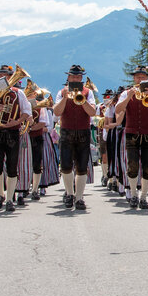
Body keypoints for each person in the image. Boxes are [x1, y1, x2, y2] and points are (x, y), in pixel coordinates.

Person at [0, 64, 32, 212]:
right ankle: (0, 194)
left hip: (12, 133)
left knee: (12, 167)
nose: (3, 78)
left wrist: (16, 121)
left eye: (7, 76)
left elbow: (27, 112)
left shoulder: (18, 93)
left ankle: (9, 198)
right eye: (0, 76)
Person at [114, 65, 148, 209]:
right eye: (137, 77)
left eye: (143, 77)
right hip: (131, 133)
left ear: (147, 79)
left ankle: (144, 197)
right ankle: (134, 194)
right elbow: (118, 109)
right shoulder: (126, 93)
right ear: (134, 78)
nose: (140, 79)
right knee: (132, 165)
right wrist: (129, 96)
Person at [52, 65, 97, 210]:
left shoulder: (88, 93)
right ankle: (69, 194)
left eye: (78, 77)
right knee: (65, 166)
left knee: (82, 167)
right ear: (68, 77)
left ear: (81, 78)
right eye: (73, 77)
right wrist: (65, 98)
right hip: (66, 132)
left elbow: (92, 113)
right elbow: (57, 113)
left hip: (83, 132)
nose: (76, 79)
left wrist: (82, 99)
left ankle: (79, 197)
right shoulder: (61, 92)